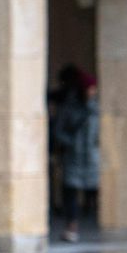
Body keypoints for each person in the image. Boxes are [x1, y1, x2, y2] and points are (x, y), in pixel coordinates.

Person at [52, 68, 99, 243]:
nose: (93, 92)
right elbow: (59, 131)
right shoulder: (70, 108)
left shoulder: (96, 108)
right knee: (70, 192)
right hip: (74, 157)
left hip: (92, 157)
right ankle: (72, 226)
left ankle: (93, 216)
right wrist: (71, 143)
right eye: (91, 88)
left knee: (93, 190)